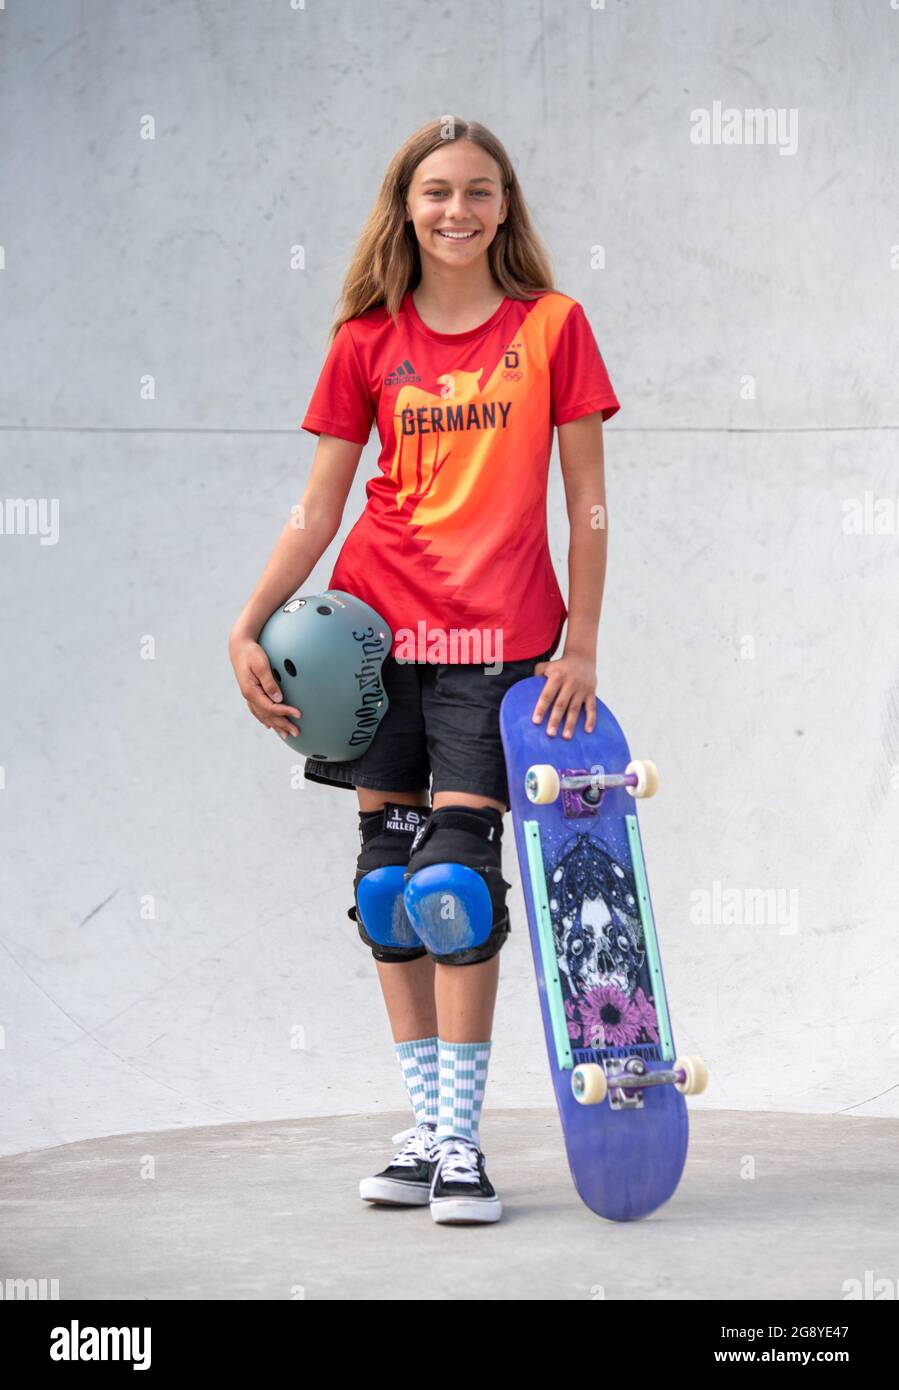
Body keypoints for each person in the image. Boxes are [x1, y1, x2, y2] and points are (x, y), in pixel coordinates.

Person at [229, 115, 620, 1225]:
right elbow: (320, 505)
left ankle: (462, 1143)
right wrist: (246, 623)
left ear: (507, 207)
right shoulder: (366, 338)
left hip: (492, 649)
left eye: (480, 192)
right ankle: (421, 1129)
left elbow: (586, 496)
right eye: (437, 191)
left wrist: (580, 638)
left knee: (454, 888)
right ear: (405, 205)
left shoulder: (551, 327)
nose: (458, 210)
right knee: (386, 890)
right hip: (368, 645)